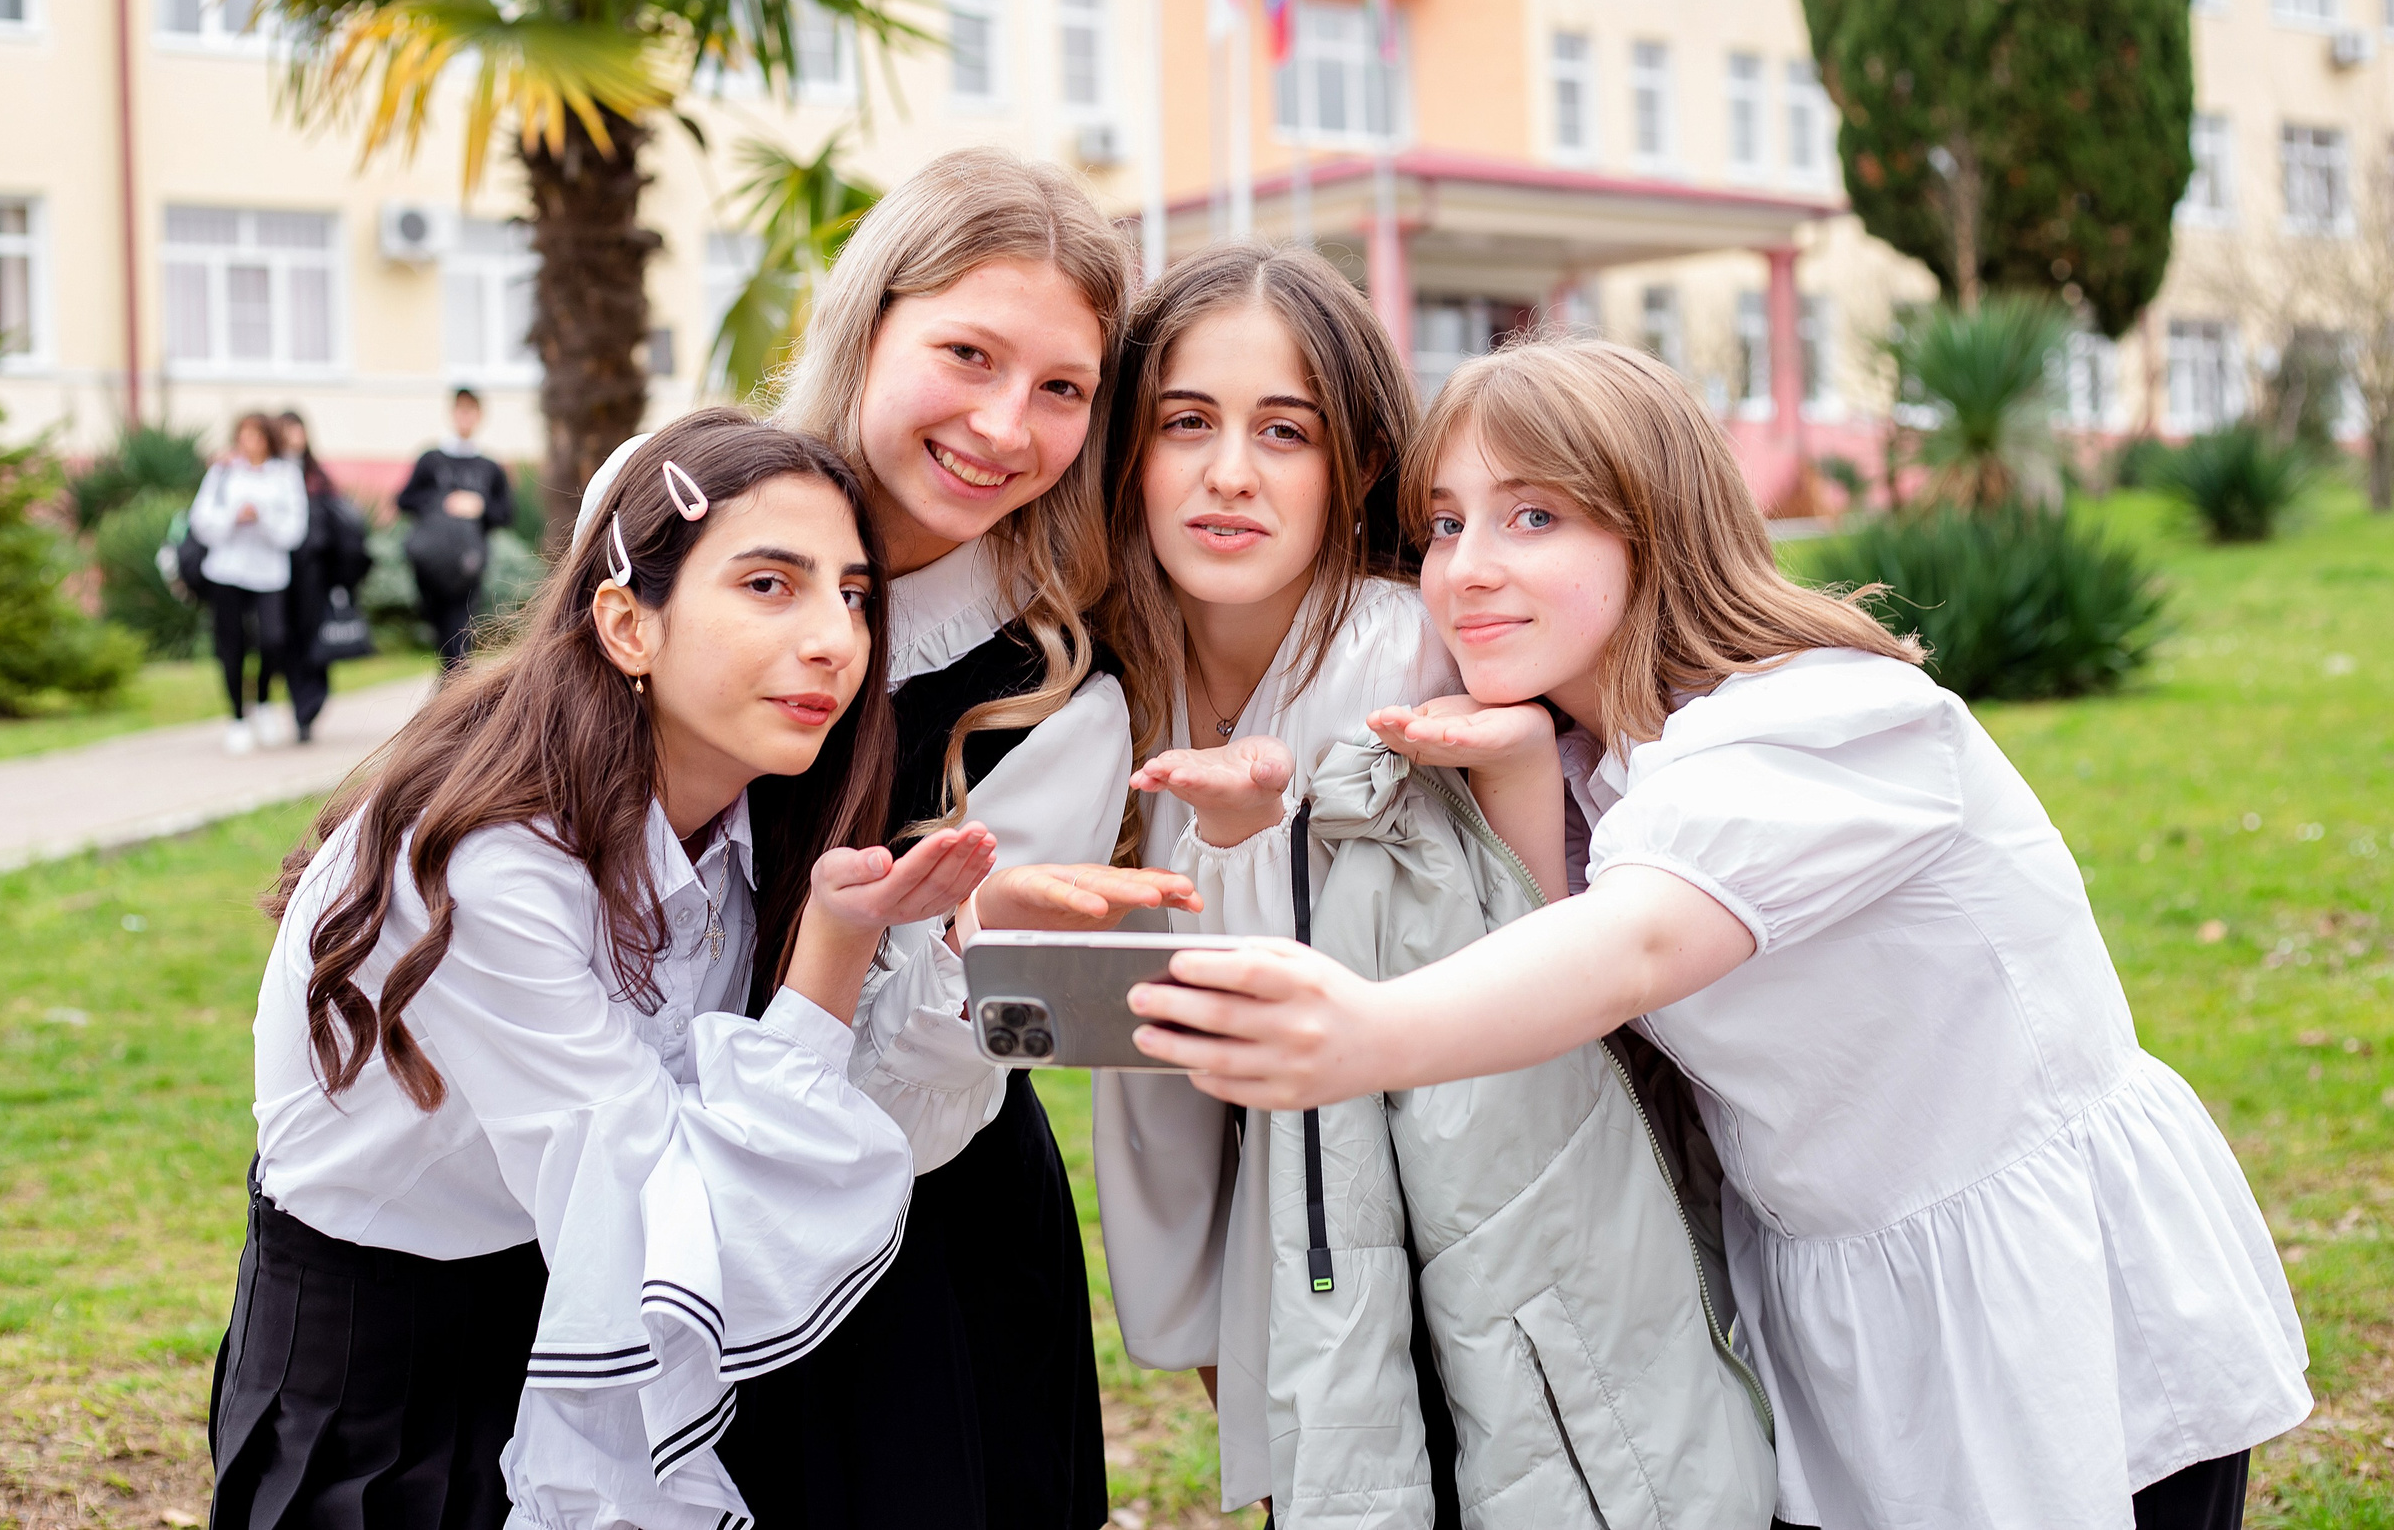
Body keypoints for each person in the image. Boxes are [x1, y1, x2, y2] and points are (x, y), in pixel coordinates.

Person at [1130, 339, 2313, 1530]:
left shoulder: (1824, 720)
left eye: (1534, 517)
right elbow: (1592, 1033)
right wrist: (1531, 780)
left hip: (2039, 1300)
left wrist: (1368, 1033)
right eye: (1445, 524)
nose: (1468, 571)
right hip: (1834, 1304)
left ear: (1658, 530)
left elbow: (1638, 947)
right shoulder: (1601, 760)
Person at [212, 411, 1005, 1530]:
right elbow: (668, 1220)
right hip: (381, 1384)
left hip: (565, 1309)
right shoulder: (491, 864)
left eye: (854, 594)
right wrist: (828, 954)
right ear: (628, 624)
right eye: (770, 586)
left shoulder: (743, 823)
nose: (834, 637)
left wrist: (889, 938)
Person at [721, 147, 1201, 1530]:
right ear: (869, 323)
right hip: (621, 1176)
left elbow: (926, 1079)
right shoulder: (681, 509)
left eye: (1062, 388)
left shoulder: (1052, 687)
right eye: (968, 353)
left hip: (906, 1239)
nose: (1006, 422)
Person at [1084, 241, 1451, 1519]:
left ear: (1355, 469)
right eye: (1186, 422)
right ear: (1126, 448)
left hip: (1423, 1220)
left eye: (1283, 433)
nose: (1228, 474)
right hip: (1214, 1189)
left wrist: (1249, 838)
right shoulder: (1096, 676)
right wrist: (1193, 1316)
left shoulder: (1413, 661)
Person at [189, 411, 309, 755]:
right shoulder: (224, 471)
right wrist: (232, 517)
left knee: (273, 638)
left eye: (256, 435)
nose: (249, 443)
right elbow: (201, 521)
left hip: (268, 571)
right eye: (243, 435)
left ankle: (262, 700)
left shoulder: (285, 474)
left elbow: (294, 529)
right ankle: (238, 717)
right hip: (226, 569)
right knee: (231, 644)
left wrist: (263, 517)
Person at [397, 386, 515, 672]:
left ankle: (455, 694)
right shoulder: (431, 460)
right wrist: (444, 502)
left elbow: (506, 513)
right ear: (452, 413)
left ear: (479, 415)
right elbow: (404, 500)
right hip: (432, 561)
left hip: (469, 564)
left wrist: (480, 506)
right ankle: (452, 690)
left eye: (470, 410)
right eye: (460, 409)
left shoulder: (489, 467)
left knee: (460, 633)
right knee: (442, 634)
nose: (465, 416)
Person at [272, 410, 370, 745]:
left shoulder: (318, 478)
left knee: (314, 634)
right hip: (277, 572)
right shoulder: (270, 474)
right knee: (285, 638)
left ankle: (310, 703)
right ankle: (298, 701)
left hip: (313, 573)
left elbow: (340, 527)